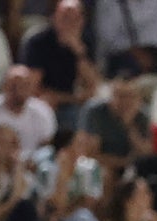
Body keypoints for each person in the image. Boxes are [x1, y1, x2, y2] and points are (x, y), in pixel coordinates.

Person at [19, 0, 100, 130]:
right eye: (65, 18)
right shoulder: (38, 42)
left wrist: (78, 52)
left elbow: (92, 86)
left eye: (75, 18)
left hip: (69, 102)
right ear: (54, 17)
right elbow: (33, 87)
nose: (69, 23)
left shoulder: (86, 42)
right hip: (42, 101)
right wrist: (73, 99)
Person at [0, 65, 57, 159]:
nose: (18, 90)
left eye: (24, 86)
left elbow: (47, 145)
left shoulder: (42, 111)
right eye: (14, 86)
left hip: (31, 166)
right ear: (5, 86)